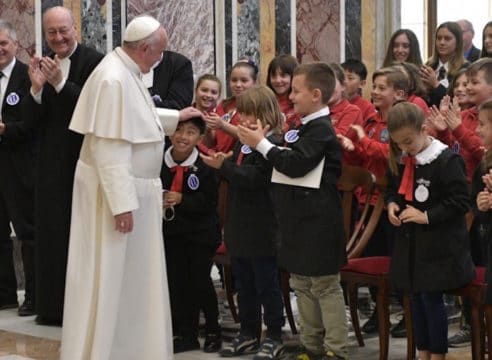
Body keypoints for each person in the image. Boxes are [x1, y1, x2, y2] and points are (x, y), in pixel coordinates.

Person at [59, 15, 203, 360]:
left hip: (131, 191)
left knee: (133, 282)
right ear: (143, 48)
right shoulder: (112, 78)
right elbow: (110, 148)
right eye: (159, 52)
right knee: (113, 279)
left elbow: (138, 114)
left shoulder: (126, 70)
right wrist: (122, 204)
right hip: (118, 197)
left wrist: (175, 118)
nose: (161, 59)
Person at [238, 63, 348, 360]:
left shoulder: (322, 131)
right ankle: (311, 346)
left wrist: (261, 144)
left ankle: (336, 349)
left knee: (325, 287)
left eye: (297, 91)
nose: (292, 96)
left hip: (320, 224)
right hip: (297, 223)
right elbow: (287, 159)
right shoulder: (302, 127)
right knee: (302, 284)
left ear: (315, 95)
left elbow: (296, 164)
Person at [24, 6, 104, 325]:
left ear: (75, 29)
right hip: (49, 164)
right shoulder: (45, 62)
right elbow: (30, 121)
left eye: (63, 31)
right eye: (51, 33)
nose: (57, 38)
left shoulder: (95, 62)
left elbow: (93, 112)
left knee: (79, 235)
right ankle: (52, 308)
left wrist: (60, 85)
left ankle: (81, 310)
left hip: (82, 159)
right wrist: (36, 88)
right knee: (52, 235)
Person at [385, 101, 475, 360]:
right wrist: (392, 205)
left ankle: (437, 354)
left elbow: (459, 202)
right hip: (411, 247)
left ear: (425, 129)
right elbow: (392, 189)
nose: (404, 149)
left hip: (441, 250)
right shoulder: (404, 158)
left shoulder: (446, 159)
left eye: (408, 142)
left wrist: (426, 216)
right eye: (398, 144)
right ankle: (422, 351)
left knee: (430, 300)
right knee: (413, 300)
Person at [202, 85, 285, 360]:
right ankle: (248, 331)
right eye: (242, 116)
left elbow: (255, 179)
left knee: (266, 284)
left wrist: (224, 167)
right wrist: (222, 163)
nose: (244, 122)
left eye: (250, 116)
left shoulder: (273, 145)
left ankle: (273, 333)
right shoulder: (244, 142)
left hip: (263, 228)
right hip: (239, 225)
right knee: (244, 284)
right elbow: (237, 173)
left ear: (267, 115)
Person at [161, 116, 221, 354]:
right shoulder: (161, 160)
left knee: (200, 281)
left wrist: (183, 199)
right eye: (179, 131)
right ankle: (186, 332)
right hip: (172, 231)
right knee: (176, 280)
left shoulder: (205, 165)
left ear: (199, 137)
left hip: (200, 233)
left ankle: (213, 329)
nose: (183, 137)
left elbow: (209, 202)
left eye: (190, 132)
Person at [0, 20, 35, 316]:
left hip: (19, 167)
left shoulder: (27, 76)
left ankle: (33, 296)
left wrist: (4, 130)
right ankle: (5, 294)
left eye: (3, 43)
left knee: (26, 231)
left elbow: (33, 124)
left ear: (14, 44)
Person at [201, 59, 258, 154]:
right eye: (234, 80)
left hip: (242, 162)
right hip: (219, 161)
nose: (238, 85)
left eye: (244, 80)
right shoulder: (224, 105)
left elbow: (251, 136)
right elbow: (210, 144)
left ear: (254, 82)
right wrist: (207, 130)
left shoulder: (258, 106)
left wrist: (222, 125)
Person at [420, 22, 467, 107]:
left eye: (447, 39)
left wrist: (436, 85)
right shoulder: (429, 65)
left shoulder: (465, 68)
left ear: (458, 42)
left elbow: (459, 100)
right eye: (439, 38)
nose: (442, 42)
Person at [328, 62, 363, 138]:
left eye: (332, 83)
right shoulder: (314, 109)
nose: (327, 89)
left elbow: (339, 139)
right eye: (322, 84)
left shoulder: (352, 111)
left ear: (343, 86)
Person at [266, 54, 300, 130]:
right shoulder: (265, 102)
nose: (278, 80)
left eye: (283, 75)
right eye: (273, 76)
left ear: (294, 76)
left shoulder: (300, 104)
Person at [341, 59, 376, 123]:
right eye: (342, 77)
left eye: (350, 78)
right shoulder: (332, 103)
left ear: (362, 84)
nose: (344, 81)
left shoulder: (367, 108)